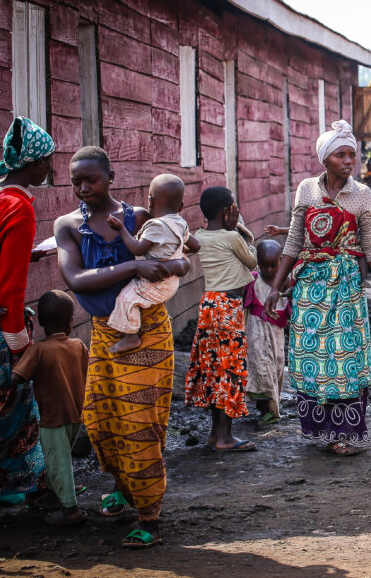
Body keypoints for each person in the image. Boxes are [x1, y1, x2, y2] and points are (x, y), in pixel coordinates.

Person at [55, 146, 190, 548]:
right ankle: (124, 488)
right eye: (76, 180)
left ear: (110, 177)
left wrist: (178, 265)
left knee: (140, 423)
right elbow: (76, 279)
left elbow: (179, 252)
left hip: (146, 330)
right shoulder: (68, 226)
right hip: (105, 332)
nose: (83, 188)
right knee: (101, 419)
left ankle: (149, 516)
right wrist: (133, 266)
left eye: (91, 179)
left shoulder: (139, 218)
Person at [264, 120, 371, 456]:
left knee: (345, 356)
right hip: (309, 288)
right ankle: (321, 430)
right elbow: (294, 241)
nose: (349, 160)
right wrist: (276, 288)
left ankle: (346, 433)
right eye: (341, 154)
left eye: (352, 154)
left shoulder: (362, 194)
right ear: (325, 159)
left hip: (347, 287)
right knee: (315, 355)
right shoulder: (307, 189)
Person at [0, 117, 54, 504]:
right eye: (46, 159)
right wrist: (18, 347)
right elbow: (11, 291)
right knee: (9, 407)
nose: (49, 166)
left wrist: (27, 254)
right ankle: (14, 489)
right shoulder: (19, 209)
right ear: (32, 165)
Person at [185, 186, 257, 453]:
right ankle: (226, 437)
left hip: (209, 305)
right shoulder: (232, 237)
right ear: (228, 211)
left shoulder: (200, 236)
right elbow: (252, 261)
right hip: (228, 307)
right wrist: (241, 228)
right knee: (229, 369)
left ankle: (216, 434)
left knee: (214, 368)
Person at [10, 290, 87, 525]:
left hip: (52, 417)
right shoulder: (79, 345)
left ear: (40, 322)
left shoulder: (39, 350)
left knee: (57, 461)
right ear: (72, 322)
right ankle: (53, 497)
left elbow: (17, 378)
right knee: (60, 458)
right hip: (76, 415)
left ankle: (70, 510)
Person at [105, 175, 198, 354]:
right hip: (171, 283)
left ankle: (131, 336)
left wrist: (120, 229)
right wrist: (178, 252)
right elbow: (196, 245)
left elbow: (138, 249)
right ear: (181, 206)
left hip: (155, 282)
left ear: (150, 201)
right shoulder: (181, 223)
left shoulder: (155, 226)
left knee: (126, 298)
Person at [244, 240, 290, 424]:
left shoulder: (286, 281)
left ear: (281, 260)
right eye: (264, 265)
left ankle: (269, 405)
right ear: (257, 262)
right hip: (256, 331)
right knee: (261, 367)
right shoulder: (253, 279)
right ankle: (266, 409)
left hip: (277, 332)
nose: (269, 270)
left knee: (277, 368)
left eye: (273, 265)